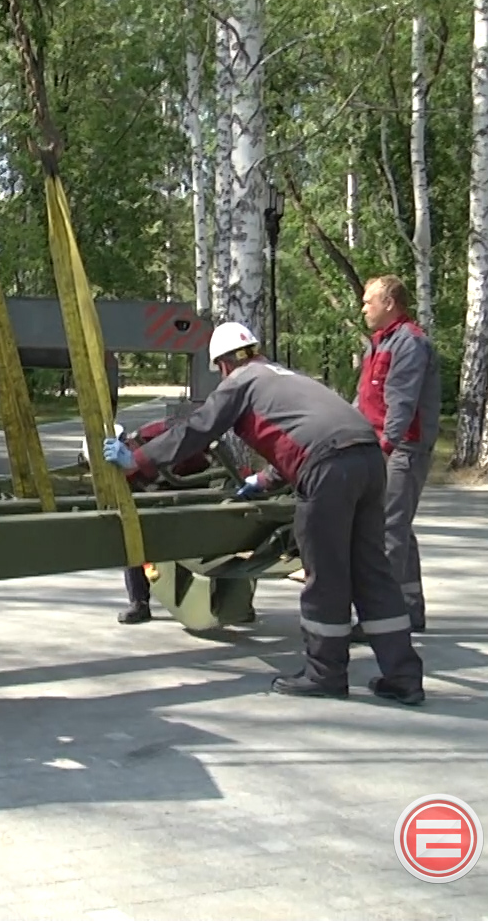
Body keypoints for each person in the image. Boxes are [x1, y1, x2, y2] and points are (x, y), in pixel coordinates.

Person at [100, 321, 425, 705]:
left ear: (221, 365)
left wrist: (136, 461)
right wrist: (265, 480)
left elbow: (197, 430)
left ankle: (325, 674)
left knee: (327, 574)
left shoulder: (241, 382)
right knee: (372, 571)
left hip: (329, 469)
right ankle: (404, 677)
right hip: (369, 459)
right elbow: (308, 433)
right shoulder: (286, 376)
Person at [355, 275, 440, 632]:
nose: (363, 308)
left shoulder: (409, 344)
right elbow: (365, 401)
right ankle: (408, 609)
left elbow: (400, 405)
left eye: (368, 301)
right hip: (384, 446)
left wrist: (383, 451)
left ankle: (381, 620)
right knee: (398, 528)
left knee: (387, 531)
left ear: (389, 302)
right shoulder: (379, 343)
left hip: (402, 449)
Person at [99, 418, 220, 625]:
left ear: (128, 443)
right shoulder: (121, 479)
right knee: (130, 534)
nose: (123, 471)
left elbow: (196, 429)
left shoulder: (159, 432)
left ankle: (234, 601)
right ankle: (139, 603)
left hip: (202, 485)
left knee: (221, 539)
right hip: (160, 499)